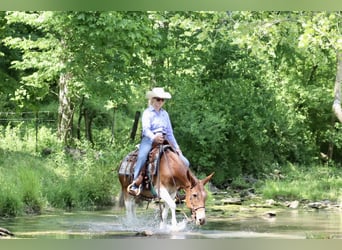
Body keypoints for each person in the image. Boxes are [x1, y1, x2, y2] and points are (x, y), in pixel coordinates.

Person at [129, 87, 190, 196]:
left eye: (162, 100)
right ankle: (135, 183)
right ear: (152, 99)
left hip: (164, 139)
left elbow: (170, 132)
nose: (160, 102)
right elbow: (146, 130)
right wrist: (154, 137)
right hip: (149, 139)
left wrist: (176, 147)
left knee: (184, 162)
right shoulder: (147, 113)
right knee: (142, 156)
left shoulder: (165, 114)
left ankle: (177, 186)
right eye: (158, 99)